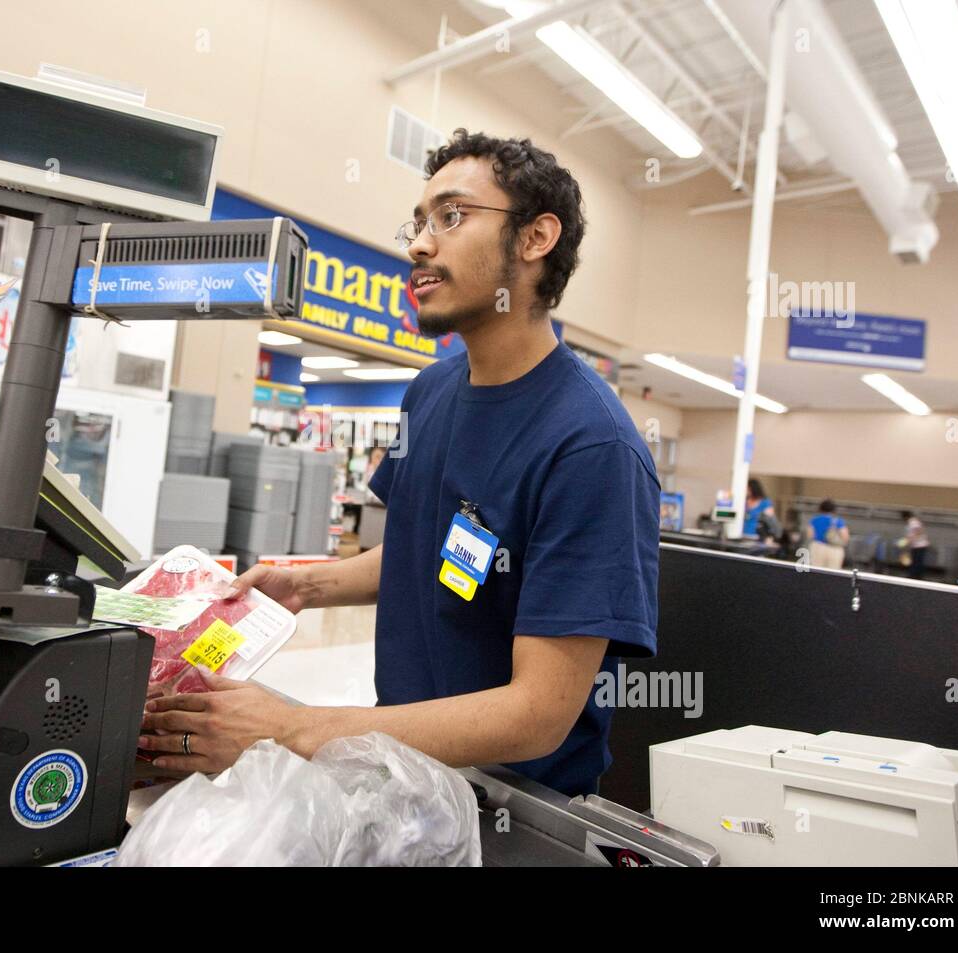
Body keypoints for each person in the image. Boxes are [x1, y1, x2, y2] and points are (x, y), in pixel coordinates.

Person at [141, 130, 660, 797]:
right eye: (417, 223)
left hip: (512, 813)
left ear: (535, 239)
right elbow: (426, 551)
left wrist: (291, 727)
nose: (418, 243)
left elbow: (537, 715)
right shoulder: (432, 392)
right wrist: (307, 587)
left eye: (451, 216)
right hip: (397, 773)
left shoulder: (591, 448)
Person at [806, 498, 849, 570]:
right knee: (833, 573)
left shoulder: (814, 520)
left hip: (817, 547)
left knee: (817, 572)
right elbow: (845, 537)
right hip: (835, 549)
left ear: (820, 508)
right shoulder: (838, 521)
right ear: (834, 510)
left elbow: (810, 535)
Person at [742, 478, 779, 542]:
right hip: (743, 535)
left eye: (748, 489)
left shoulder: (765, 503)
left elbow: (771, 523)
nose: (746, 491)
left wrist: (770, 537)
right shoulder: (744, 501)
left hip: (758, 537)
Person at [900, 510, 930, 580]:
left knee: (917, 561)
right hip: (916, 545)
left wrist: (910, 540)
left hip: (919, 545)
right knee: (915, 560)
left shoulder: (913, 522)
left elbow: (918, 531)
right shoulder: (912, 522)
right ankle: (914, 574)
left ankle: (916, 576)